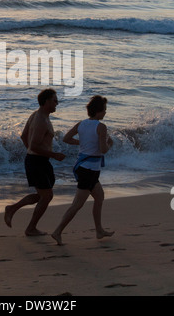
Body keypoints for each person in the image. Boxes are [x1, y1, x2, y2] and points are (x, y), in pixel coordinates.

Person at [51, 95, 114, 245]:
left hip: (83, 167)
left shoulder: (82, 124)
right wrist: (110, 143)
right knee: (77, 204)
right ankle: (57, 231)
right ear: (98, 111)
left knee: (99, 197)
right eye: (104, 110)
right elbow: (103, 149)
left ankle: (99, 230)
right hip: (89, 170)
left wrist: (83, 142)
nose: (105, 113)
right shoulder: (101, 127)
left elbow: (66, 138)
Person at [4, 89, 65, 236]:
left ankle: (12, 209)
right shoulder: (41, 120)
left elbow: (24, 136)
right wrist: (54, 155)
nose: (57, 103)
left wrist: (31, 153)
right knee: (47, 196)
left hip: (37, 160)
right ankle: (30, 228)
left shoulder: (37, 115)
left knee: (42, 195)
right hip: (37, 162)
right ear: (47, 102)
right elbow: (34, 145)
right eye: (55, 100)